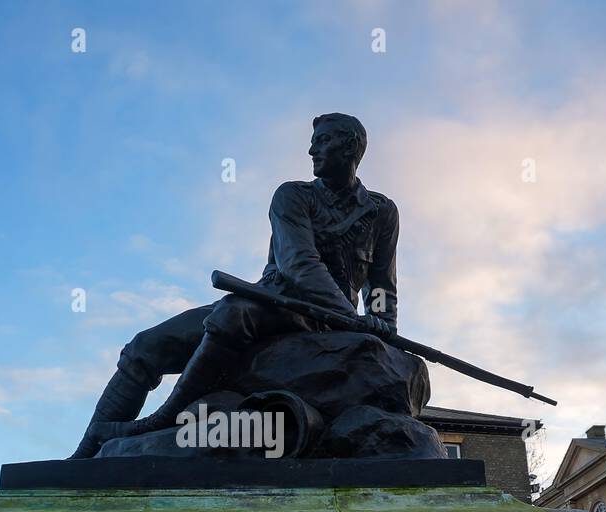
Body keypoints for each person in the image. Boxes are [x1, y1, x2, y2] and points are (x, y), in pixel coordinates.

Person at [69, 112, 400, 458]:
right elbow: (299, 264)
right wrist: (351, 316)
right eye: (313, 141)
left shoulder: (381, 211)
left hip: (320, 322)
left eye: (322, 141)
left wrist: (383, 331)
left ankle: (164, 417)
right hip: (277, 301)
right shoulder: (292, 196)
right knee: (143, 347)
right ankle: (84, 455)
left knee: (232, 313)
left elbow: (381, 284)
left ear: (349, 148)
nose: (311, 150)